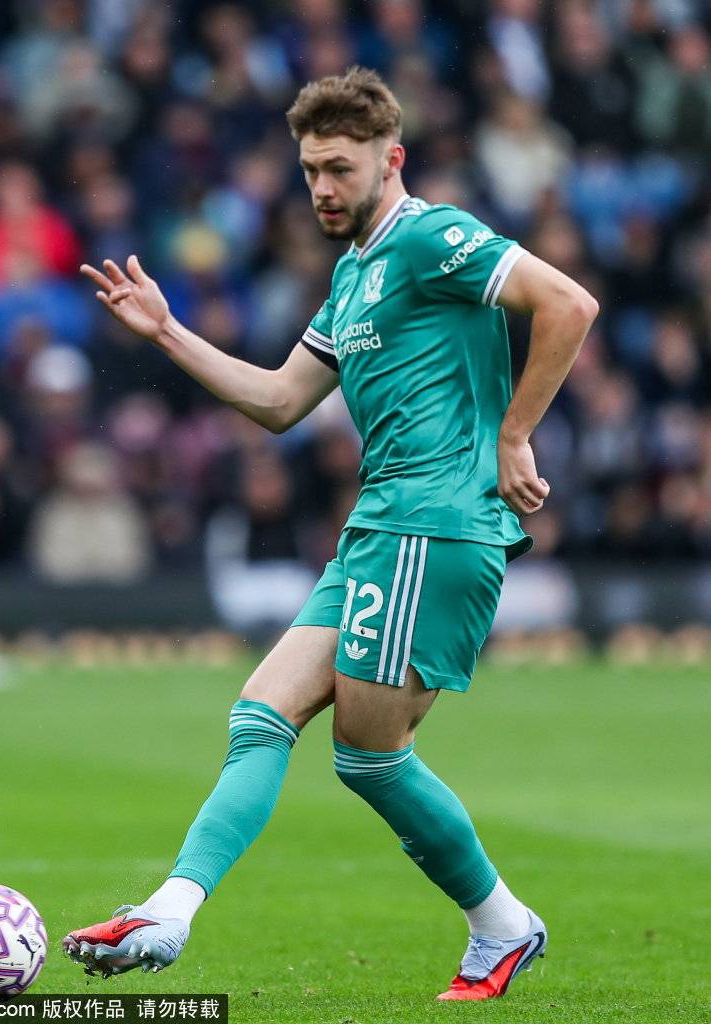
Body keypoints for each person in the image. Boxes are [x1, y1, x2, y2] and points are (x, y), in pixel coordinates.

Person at [63, 66, 598, 1001]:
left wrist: (513, 434)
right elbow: (278, 400)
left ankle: (503, 925)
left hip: (432, 527)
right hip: (378, 529)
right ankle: (168, 912)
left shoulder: (431, 236)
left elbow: (569, 304)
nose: (320, 187)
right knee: (259, 715)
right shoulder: (352, 277)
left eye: (340, 168)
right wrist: (167, 333)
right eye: (310, 169)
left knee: (368, 755)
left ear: (391, 160)